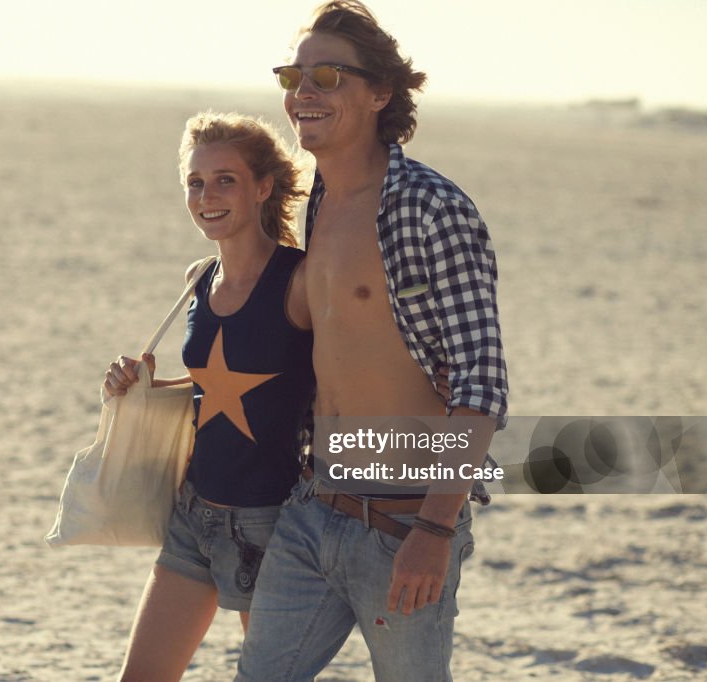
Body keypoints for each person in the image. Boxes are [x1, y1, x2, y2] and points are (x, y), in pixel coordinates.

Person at [235, 2, 509, 681]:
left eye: (327, 76)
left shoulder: (430, 208)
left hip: (401, 525)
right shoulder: (318, 200)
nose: (303, 93)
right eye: (293, 77)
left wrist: (435, 529)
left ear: (380, 93)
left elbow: (482, 383)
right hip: (313, 509)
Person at [103, 112, 314, 682]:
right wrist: (140, 385)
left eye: (225, 180)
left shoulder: (300, 282)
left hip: (265, 525)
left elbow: (318, 384)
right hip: (194, 515)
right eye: (195, 182)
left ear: (263, 187)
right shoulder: (200, 279)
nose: (206, 196)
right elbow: (217, 386)